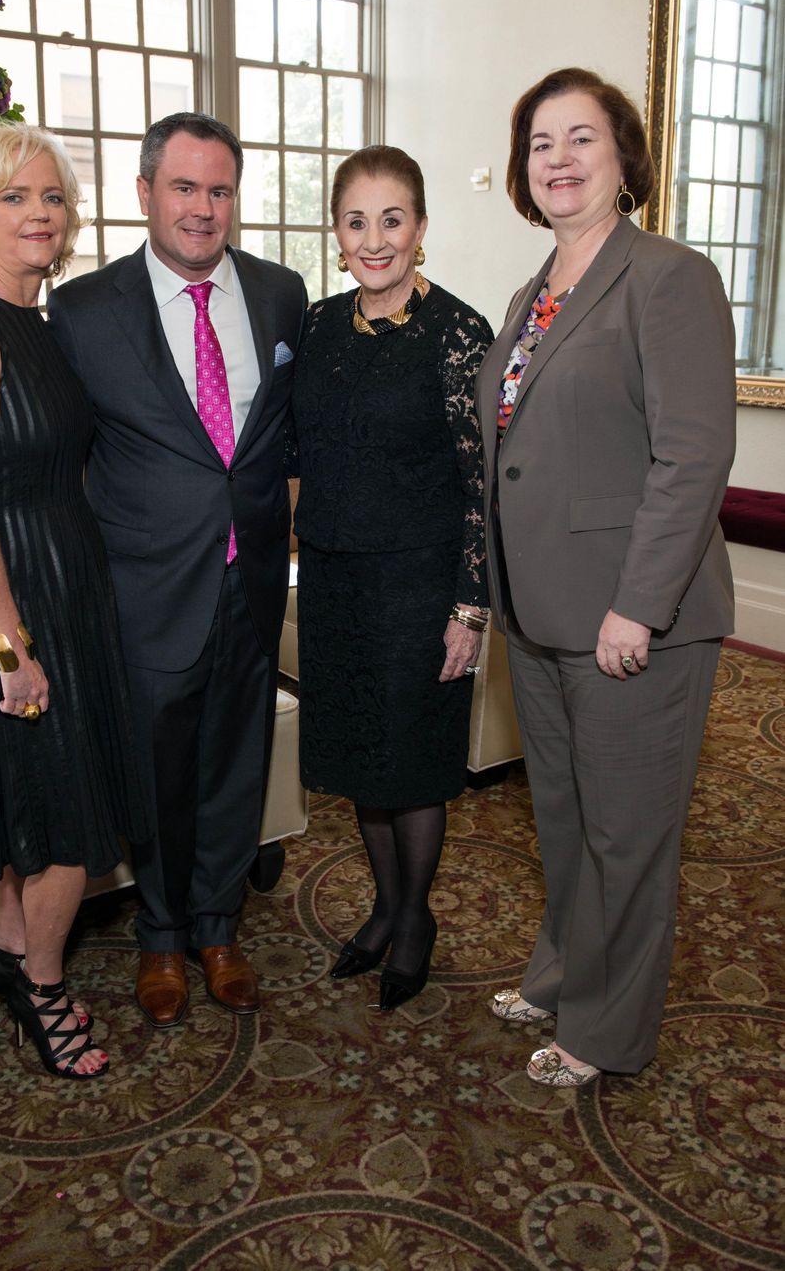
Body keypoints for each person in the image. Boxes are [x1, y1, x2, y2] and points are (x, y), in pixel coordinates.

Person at [0, 112, 308, 1027]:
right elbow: (19, 445)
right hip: (137, 587)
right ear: (146, 194)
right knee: (156, 772)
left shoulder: (283, 295)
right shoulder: (82, 311)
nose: (202, 208)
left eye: (219, 190)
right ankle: (164, 937)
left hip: (250, 580)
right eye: (183, 187)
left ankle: (220, 926)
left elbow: (291, 439)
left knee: (236, 764)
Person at [476, 67, 736, 1086]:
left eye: (580, 138)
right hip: (538, 611)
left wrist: (638, 602)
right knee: (564, 817)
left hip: (635, 621)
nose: (558, 159)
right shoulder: (532, 291)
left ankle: (607, 1030)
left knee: (627, 836)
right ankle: (559, 969)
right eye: (540, 142)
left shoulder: (667, 277)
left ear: (622, 157)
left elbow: (691, 454)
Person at [0, 121, 151, 1080]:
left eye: (52, 196)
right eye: (15, 197)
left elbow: (30, 472)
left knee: (36, 796)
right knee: (65, 814)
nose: (40, 214)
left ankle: (13, 954)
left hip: (69, 579)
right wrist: (9, 646)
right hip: (18, 604)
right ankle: (45, 987)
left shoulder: (41, 326)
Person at [291, 145, 493, 1011]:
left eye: (393, 218)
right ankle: (383, 907)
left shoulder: (459, 334)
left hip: (421, 590)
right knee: (362, 763)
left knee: (410, 765)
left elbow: (484, 481)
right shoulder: (317, 327)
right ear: (336, 235)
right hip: (336, 583)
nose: (376, 239)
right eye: (356, 220)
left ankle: (414, 919)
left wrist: (471, 605)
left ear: (420, 228)